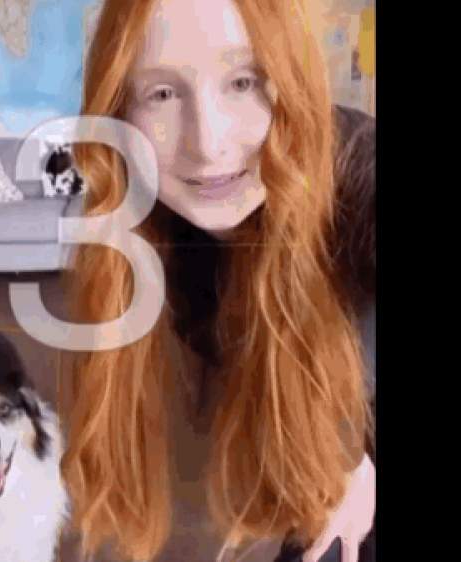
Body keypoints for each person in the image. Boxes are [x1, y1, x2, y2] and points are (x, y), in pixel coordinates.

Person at [57, 0, 376, 561]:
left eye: (243, 81)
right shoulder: (154, 227)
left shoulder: (364, 183)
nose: (207, 144)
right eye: (161, 93)